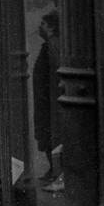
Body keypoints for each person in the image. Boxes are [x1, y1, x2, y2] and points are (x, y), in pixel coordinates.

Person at [33, 10, 62, 191]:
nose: (40, 28)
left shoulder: (53, 45)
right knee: (47, 133)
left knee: (51, 133)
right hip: (46, 98)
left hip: (50, 98)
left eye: (43, 24)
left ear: (50, 27)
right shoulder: (50, 44)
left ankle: (57, 172)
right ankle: (54, 170)